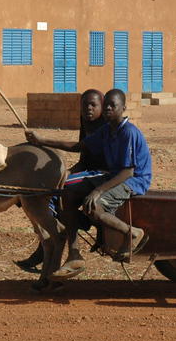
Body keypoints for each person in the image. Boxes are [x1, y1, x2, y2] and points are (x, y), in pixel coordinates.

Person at [25, 88, 151, 280]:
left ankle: (132, 232)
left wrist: (98, 191)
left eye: (112, 105)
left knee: (93, 207)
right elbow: (79, 147)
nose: (108, 108)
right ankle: (74, 253)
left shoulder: (128, 132)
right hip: (113, 176)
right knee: (65, 193)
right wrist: (42, 141)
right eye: (106, 104)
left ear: (123, 108)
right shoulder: (107, 130)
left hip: (133, 180)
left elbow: (128, 171)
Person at [14, 88, 107, 272]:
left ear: (102, 108)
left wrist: (42, 141)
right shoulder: (86, 122)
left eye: (93, 105)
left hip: (104, 173)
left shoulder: (105, 126)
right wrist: (68, 172)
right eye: (84, 105)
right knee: (53, 191)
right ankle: (46, 244)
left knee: (65, 190)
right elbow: (85, 157)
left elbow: (78, 146)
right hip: (89, 170)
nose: (88, 109)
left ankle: (71, 248)